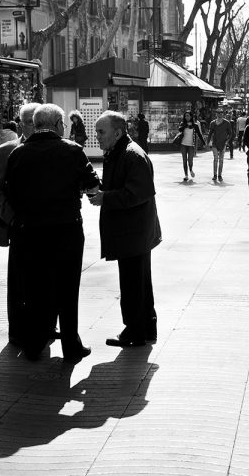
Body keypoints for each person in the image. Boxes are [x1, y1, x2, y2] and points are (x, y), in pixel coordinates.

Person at [5, 103, 100, 361]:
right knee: (68, 287)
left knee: (35, 286)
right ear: (58, 124)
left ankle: (35, 342)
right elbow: (92, 183)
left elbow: (9, 192)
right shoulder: (72, 151)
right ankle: (71, 343)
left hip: (30, 232)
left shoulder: (18, 154)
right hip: (66, 229)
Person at [90, 110, 162, 348]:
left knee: (133, 283)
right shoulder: (119, 152)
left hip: (134, 233)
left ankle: (135, 331)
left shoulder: (131, 155)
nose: (97, 136)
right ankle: (144, 328)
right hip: (133, 232)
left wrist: (105, 198)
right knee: (138, 282)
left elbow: (136, 194)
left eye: (101, 132)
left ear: (118, 132)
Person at [0, 102, 39, 347]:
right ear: (19, 123)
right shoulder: (5, 151)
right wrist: (14, 218)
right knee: (19, 280)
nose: (33, 127)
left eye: (37, 122)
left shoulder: (53, 149)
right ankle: (18, 329)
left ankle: (45, 323)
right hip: (19, 226)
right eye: (28, 121)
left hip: (47, 227)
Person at [178, 111, 205, 182]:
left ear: (191, 117)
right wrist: (186, 125)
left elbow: (199, 134)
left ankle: (190, 169)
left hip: (191, 145)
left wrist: (204, 142)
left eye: (188, 116)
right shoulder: (182, 124)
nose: (187, 117)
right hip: (183, 144)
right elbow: (179, 129)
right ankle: (186, 175)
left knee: (190, 160)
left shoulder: (195, 125)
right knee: (184, 160)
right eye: (186, 116)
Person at [207, 108, 234, 182]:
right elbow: (210, 133)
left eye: (221, 113)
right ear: (216, 114)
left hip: (223, 143)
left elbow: (230, 133)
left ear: (223, 114)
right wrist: (208, 142)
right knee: (215, 159)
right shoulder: (213, 123)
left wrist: (227, 141)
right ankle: (215, 175)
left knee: (221, 160)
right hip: (215, 143)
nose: (220, 114)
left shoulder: (227, 123)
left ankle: (220, 175)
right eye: (218, 113)